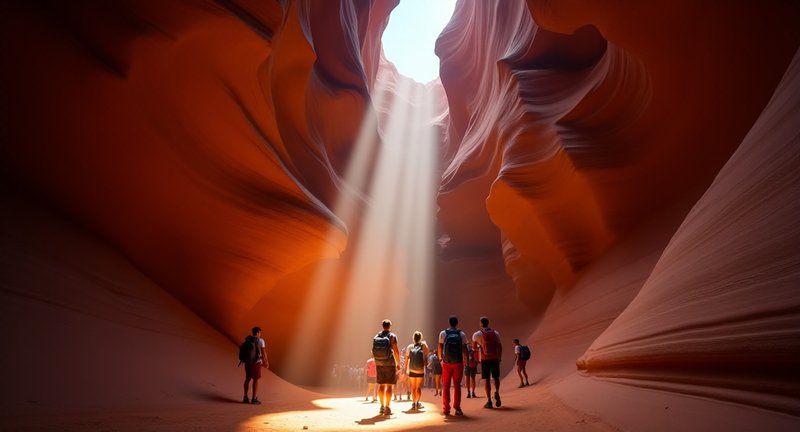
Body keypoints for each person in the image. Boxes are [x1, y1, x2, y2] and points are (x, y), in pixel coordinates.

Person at [438, 315, 468, 416]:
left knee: (445, 385)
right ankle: (457, 408)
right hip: (458, 363)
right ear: (457, 323)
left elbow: (440, 347)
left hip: (446, 363)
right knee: (457, 385)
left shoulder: (443, 333)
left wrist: (441, 359)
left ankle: (446, 409)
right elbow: (464, 348)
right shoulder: (462, 334)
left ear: (449, 323)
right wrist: (466, 360)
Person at [372, 319, 401, 416]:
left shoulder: (376, 336)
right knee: (389, 386)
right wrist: (398, 363)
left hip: (379, 363)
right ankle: (388, 407)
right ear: (389, 326)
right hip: (390, 363)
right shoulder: (392, 336)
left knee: (381, 385)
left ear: (382, 326)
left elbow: (373, 351)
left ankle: (382, 406)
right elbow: (396, 351)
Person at [472, 316, 502, 409]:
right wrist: (499, 357)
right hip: (495, 358)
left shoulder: (477, 334)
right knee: (496, 377)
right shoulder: (495, 333)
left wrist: (480, 347)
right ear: (488, 323)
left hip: (485, 359)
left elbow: (474, 348)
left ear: (481, 323)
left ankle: (489, 401)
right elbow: (500, 346)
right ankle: (496, 391)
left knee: (487, 379)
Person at [242, 326, 269, 405]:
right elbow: (263, 352)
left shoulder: (248, 339)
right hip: (256, 362)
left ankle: (245, 397)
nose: (260, 334)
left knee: (247, 379)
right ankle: (254, 399)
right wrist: (266, 362)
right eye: (260, 332)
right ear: (257, 332)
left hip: (247, 362)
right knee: (256, 379)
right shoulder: (261, 340)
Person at [404, 331, 429, 410]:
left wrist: (405, 370)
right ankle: (418, 402)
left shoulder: (409, 347)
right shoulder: (423, 346)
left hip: (411, 369)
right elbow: (426, 356)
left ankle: (413, 403)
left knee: (413, 387)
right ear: (420, 338)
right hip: (420, 370)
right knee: (418, 387)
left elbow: (406, 359)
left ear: (413, 338)